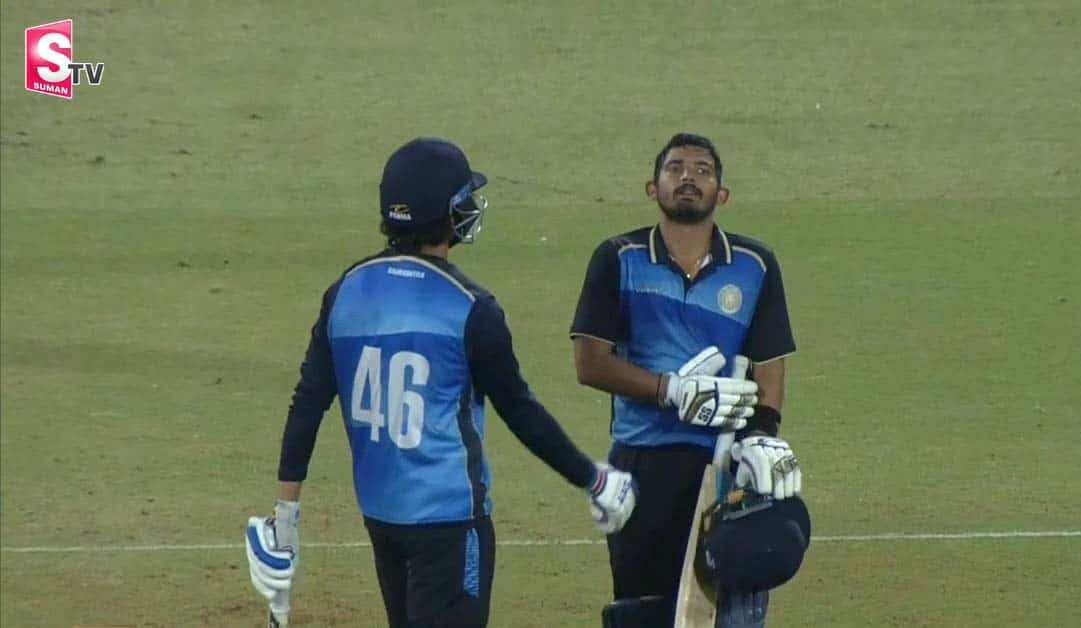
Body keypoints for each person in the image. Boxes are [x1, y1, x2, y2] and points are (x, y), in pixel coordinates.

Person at [244, 137, 637, 628]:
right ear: (448, 214)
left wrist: (286, 516)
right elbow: (520, 411)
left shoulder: (344, 292)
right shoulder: (471, 308)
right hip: (451, 522)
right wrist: (593, 479)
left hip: (382, 519)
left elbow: (307, 405)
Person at [570, 133, 804, 624]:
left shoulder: (755, 265)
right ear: (652, 187)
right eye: (675, 168)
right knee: (644, 608)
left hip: (725, 465)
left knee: (729, 609)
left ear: (723, 194)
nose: (688, 177)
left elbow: (769, 362)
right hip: (641, 463)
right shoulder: (619, 258)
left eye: (702, 170)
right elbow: (590, 363)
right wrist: (671, 391)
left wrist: (762, 435)